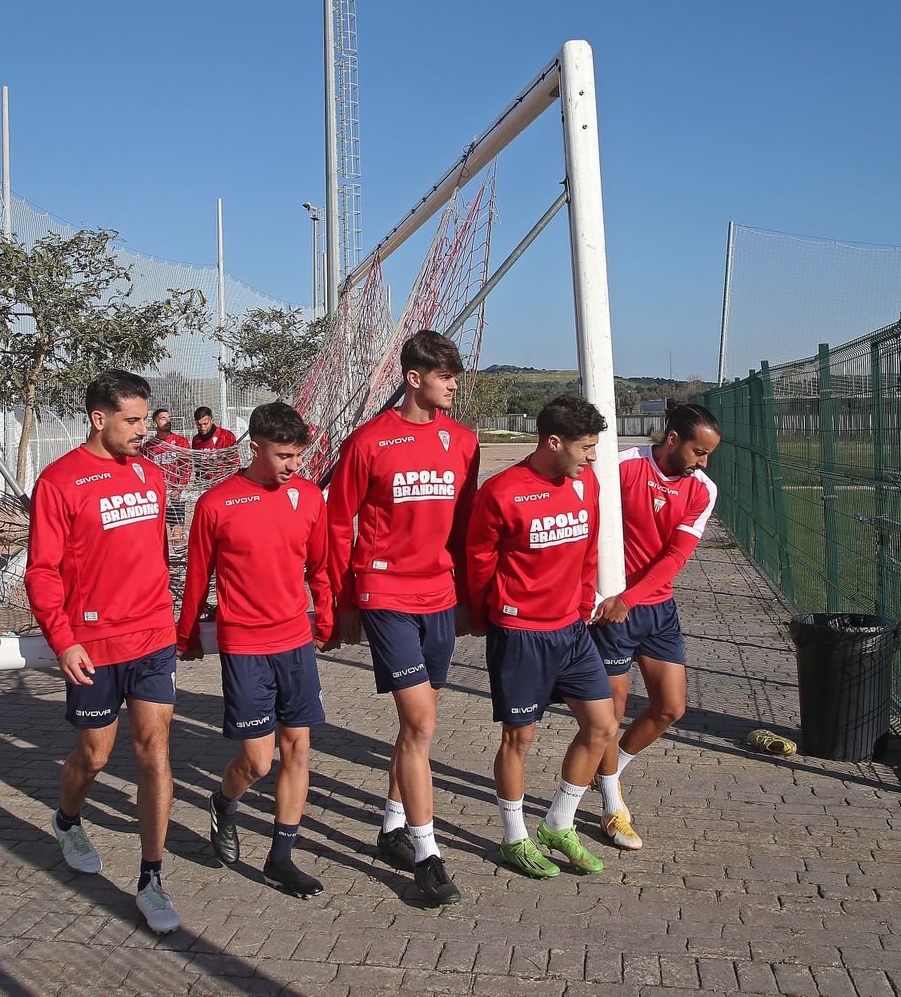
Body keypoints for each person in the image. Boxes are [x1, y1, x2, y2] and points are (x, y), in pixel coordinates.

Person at [323, 330, 478, 906]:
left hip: (439, 596)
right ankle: (428, 853)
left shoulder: (463, 442)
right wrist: (340, 603)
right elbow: (339, 526)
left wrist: (467, 598)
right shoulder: (367, 443)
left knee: (419, 724)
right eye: (445, 377)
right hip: (383, 592)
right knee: (420, 724)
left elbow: (464, 527)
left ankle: (390, 825)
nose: (453, 386)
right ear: (414, 378)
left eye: (454, 377)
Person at [25, 370, 181, 935]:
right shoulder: (60, 482)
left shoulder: (151, 475)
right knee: (93, 757)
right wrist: (63, 640)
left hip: (153, 639)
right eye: (132, 421)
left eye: (145, 418)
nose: (144, 430)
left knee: (155, 753)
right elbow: (41, 572)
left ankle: (152, 878)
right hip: (94, 647)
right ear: (99, 418)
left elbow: (157, 556)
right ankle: (67, 820)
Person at [179, 402, 334, 899]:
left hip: (295, 643)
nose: (294, 465)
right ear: (255, 448)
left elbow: (321, 566)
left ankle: (280, 858)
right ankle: (225, 802)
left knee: (299, 750)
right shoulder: (216, 503)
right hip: (244, 644)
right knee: (258, 762)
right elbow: (197, 575)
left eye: (298, 456)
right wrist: (187, 634)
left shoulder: (308, 497)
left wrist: (326, 614)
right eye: (284, 455)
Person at [465, 393, 617, 879]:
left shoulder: (584, 481)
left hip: (572, 631)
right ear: (554, 442)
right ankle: (514, 838)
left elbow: (589, 543)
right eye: (585, 447)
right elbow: (479, 562)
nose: (592, 457)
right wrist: (495, 614)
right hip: (521, 635)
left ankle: (559, 822)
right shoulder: (502, 492)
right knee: (519, 738)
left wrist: (584, 597)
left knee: (603, 725)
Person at [589, 402, 721, 850]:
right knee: (610, 713)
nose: (703, 463)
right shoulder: (621, 466)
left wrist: (632, 597)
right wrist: (606, 594)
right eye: (699, 452)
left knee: (670, 708)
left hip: (653, 607)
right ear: (672, 440)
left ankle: (609, 770)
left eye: (707, 455)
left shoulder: (702, 490)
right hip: (610, 610)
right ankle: (611, 806)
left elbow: (676, 558)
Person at [140, 407, 192, 541]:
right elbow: (145, 473)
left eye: (168, 418)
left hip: (175, 495)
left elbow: (186, 467)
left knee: (177, 534)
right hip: (157, 495)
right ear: (155, 424)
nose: (167, 421)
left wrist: (179, 488)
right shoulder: (148, 447)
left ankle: (179, 558)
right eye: (163, 418)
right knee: (157, 533)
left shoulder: (181, 442)